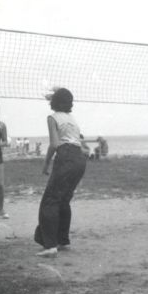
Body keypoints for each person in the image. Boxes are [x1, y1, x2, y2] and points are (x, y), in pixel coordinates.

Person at [35, 87, 88, 257]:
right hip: (79, 159)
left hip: (65, 157)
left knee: (50, 202)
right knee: (63, 201)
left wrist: (46, 164)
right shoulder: (72, 119)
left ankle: (50, 245)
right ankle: (63, 241)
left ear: (54, 101)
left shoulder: (52, 117)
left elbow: (54, 144)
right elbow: (79, 140)